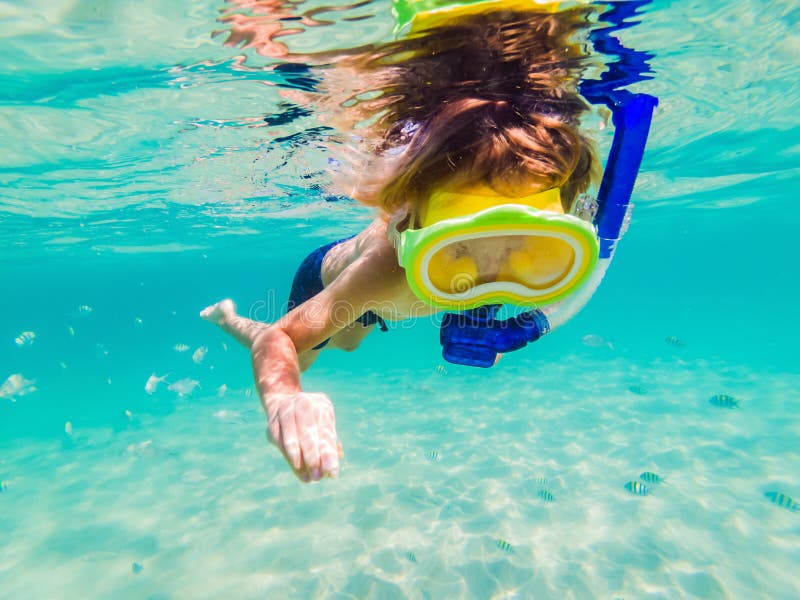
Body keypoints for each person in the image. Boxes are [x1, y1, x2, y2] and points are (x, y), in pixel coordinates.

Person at [202, 2, 612, 483]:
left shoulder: (504, 257)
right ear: (410, 229)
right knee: (328, 348)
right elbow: (284, 340)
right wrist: (284, 400)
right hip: (332, 280)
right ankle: (235, 322)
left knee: (356, 340)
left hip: (410, 290)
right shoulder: (382, 275)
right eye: (462, 249)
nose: (494, 273)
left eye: (523, 244)